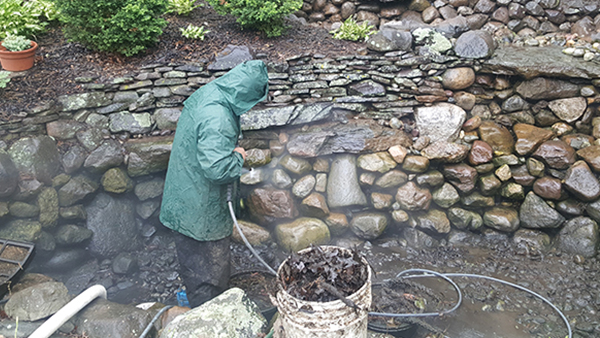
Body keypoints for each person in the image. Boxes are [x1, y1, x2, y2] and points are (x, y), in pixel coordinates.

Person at [160, 60, 269, 307]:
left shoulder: (211, 93)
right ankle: (209, 314)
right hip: (201, 211)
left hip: (185, 196)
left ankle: (200, 298)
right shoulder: (218, 116)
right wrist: (238, 156)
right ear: (246, 95)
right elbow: (218, 169)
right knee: (209, 272)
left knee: (193, 265)